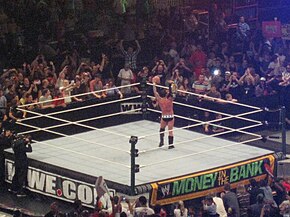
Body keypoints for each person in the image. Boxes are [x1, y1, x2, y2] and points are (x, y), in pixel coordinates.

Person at [153, 79, 175, 149]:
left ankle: (161, 141)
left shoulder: (159, 100)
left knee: (161, 129)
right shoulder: (169, 99)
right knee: (170, 131)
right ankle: (170, 145)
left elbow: (155, 92)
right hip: (170, 115)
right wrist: (169, 85)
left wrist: (154, 84)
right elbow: (171, 93)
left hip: (164, 116)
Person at [0, 127, 13, 192]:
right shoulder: (3, 138)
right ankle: (1, 183)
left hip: (4, 155)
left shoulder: (6, 138)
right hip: (1, 155)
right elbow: (6, 143)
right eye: (7, 131)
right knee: (1, 169)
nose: (8, 132)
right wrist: (9, 138)